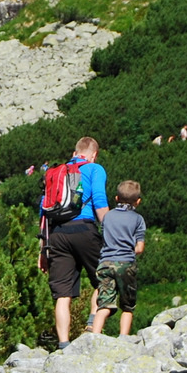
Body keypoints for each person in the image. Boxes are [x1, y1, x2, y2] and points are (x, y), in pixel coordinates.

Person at [38, 137, 108, 349]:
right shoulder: (94, 169)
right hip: (84, 228)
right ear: (93, 154)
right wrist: (111, 230)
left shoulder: (55, 173)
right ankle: (91, 325)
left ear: (74, 152)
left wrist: (42, 251)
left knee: (62, 293)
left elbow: (44, 213)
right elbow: (99, 200)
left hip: (57, 235)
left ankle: (63, 344)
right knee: (104, 278)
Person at [91, 180, 147, 337]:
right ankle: (123, 337)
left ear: (116, 198)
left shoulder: (107, 217)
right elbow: (140, 248)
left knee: (104, 304)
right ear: (138, 201)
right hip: (126, 263)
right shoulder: (138, 219)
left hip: (105, 263)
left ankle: (94, 336)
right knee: (127, 305)